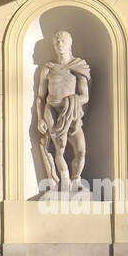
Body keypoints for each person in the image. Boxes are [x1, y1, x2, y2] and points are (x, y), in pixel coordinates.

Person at [35, 30, 91, 191]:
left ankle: (76, 179)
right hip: (51, 109)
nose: (60, 44)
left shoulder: (78, 66)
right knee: (60, 146)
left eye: (63, 41)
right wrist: (40, 118)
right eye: (57, 42)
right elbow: (40, 97)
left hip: (71, 112)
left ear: (70, 44)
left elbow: (85, 96)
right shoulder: (48, 68)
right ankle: (65, 182)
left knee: (81, 150)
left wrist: (70, 102)